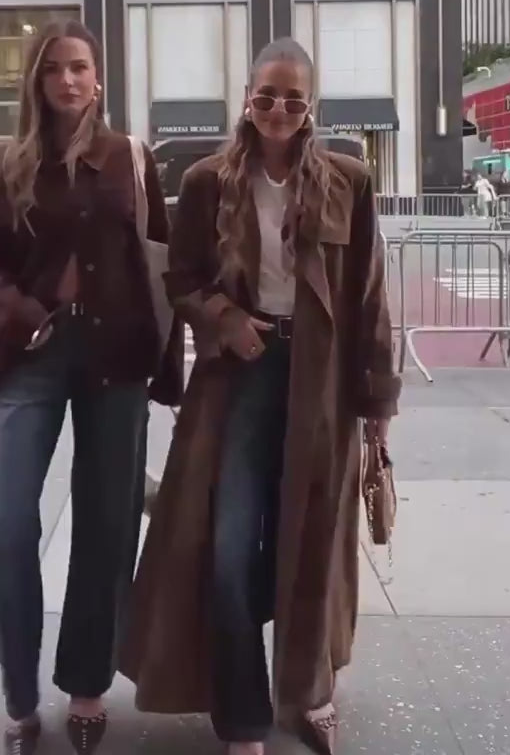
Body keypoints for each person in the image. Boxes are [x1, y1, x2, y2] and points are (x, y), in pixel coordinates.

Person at [121, 37, 401, 755]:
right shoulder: (209, 181)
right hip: (235, 378)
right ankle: (244, 716)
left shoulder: (348, 181)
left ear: (312, 107)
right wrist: (225, 320)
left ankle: (308, 692)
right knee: (226, 549)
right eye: (267, 95)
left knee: (308, 546)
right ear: (248, 99)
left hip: (320, 382)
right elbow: (182, 279)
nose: (279, 109)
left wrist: (377, 405)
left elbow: (368, 297)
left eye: (293, 98)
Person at [0, 20, 177, 755]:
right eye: (53, 69)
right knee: (8, 520)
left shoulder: (130, 157)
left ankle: (85, 686)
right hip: (32, 355)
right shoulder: (11, 163)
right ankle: (18, 691)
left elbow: (162, 260)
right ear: (37, 82)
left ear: (98, 78)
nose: (67, 80)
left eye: (79, 67)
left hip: (117, 357)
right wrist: (24, 314)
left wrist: (170, 371)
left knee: (107, 523)